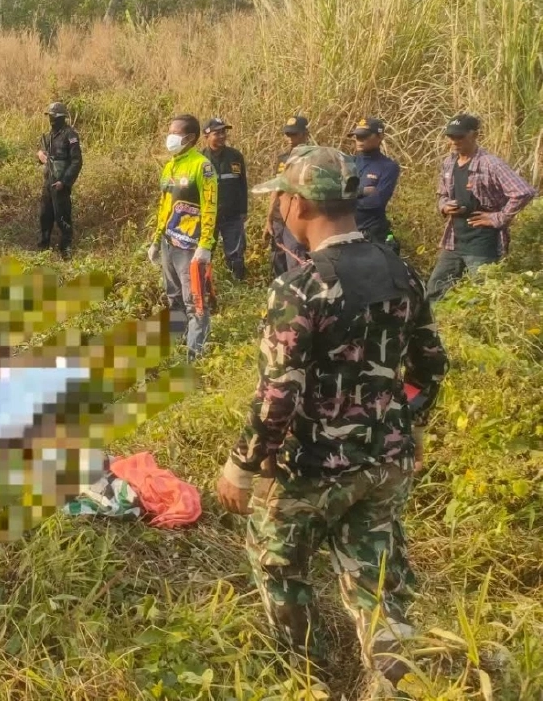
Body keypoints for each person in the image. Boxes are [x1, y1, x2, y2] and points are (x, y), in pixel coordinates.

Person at [215, 145, 449, 694]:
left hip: (310, 469)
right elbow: (430, 366)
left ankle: (306, 679)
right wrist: (404, 422)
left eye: (281, 201)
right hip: (385, 463)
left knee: (278, 566)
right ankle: (397, 683)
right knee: (378, 583)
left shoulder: (300, 287)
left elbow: (278, 397)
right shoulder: (400, 270)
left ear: (296, 205)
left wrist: (241, 466)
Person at [425, 114, 536, 302]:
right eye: (451, 137)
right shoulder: (449, 163)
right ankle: (438, 328)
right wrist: (445, 207)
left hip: (482, 241)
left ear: (474, 135)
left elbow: (523, 192)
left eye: (460, 137)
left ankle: (480, 329)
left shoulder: (490, 163)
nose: (455, 141)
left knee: (482, 293)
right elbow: (442, 194)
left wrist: (498, 218)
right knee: (436, 288)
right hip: (455, 239)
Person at [147, 114, 217, 360]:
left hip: (191, 246)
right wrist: (156, 240)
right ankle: (176, 342)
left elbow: (210, 207)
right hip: (169, 242)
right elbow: (164, 205)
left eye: (175, 132)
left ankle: (194, 354)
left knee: (194, 300)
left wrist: (205, 245)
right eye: (170, 131)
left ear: (189, 138)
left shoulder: (202, 166)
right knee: (173, 295)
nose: (170, 136)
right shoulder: (170, 166)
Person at [264, 115, 312, 277]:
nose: (290, 139)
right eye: (288, 134)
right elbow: (276, 189)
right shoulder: (283, 159)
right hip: (279, 218)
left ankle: (297, 295)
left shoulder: (312, 158)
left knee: (295, 258)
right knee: (278, 257)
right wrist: (268, 218)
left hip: (296, 218)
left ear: (305, 134)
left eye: (294, 134)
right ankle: (281, 293)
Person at [202, 118, 247, 281]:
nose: (222, 136)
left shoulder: (235, 156)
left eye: (223, 132)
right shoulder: (200, 159)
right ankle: (206, 286)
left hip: (232, 216)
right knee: (205, 253)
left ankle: (238, 286)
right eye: (217, 133)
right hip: (208, 217)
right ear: (206, 136)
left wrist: (243, 211)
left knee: (236, 255)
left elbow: (242, 185)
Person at [36, 102, 83, 259]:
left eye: (53, 116)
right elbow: (43, 155)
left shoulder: (70, 135)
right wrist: (41, 157)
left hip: (61, 184)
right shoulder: (48, 136)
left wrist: (65, 181)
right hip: (48, 182)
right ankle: (43, 248)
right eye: (49, 116)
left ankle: (66, 251)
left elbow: (76, 161)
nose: (51, 119)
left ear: (60, 117)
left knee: (62, 217)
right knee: (45, 215)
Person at [351, 117, 401, 253]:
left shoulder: (388, 167)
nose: (359, 140)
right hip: (346, 233)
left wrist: (349, 197)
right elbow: (336, 194)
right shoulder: (349, 162)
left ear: (380, 136)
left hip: (371, 234)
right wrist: (363, 191)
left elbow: (376, 201)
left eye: (364, 136)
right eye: (357, 137)